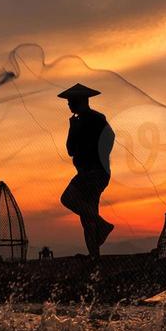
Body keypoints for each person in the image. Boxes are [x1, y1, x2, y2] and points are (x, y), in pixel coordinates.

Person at [58, 83, 115, 258]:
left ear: (81, 100)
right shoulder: (77, 122)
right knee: (87, 217)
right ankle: (94, 257)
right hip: (88, 173)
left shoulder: (96, 118)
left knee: (68, 198)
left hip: (94, 172)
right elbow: (70, 150)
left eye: (71, 101)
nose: (68, 105)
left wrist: (98, 156)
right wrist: (72, 129)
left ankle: (103, 225)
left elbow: (110, 137)